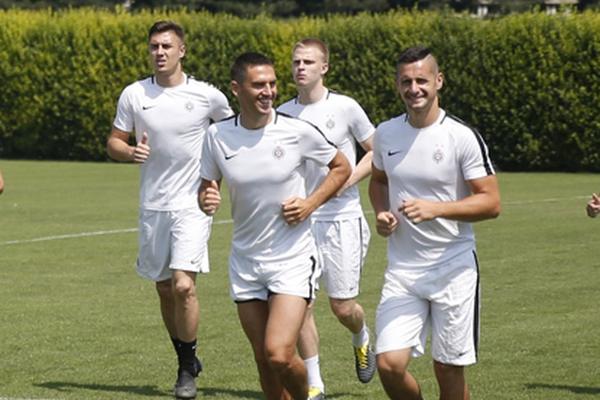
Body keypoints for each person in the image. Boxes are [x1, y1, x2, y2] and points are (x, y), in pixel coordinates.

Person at [198, 52, 351, 400]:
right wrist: (206, 198)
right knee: (263, 360)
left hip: (291, 259)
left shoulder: (296, 131)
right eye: (258, 85)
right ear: (236, 88)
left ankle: (309, 396)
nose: (268, 92)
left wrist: (310, 203)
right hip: (245, 261)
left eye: (272, 84)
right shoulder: (217, 135)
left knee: (278, 353)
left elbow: (341, 167)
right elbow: (207, 185)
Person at [106, 20, 232, 399]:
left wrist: (213, 184)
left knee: (183, 285)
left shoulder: (207, 96)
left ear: (182, 51)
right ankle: (187, 357)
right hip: (153, 205)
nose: (159, 52)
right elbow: (114, 142)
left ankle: (185, 371)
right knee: (164, 288)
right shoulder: (134, 94)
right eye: (154, 47)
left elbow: (231, 138)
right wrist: (130, 152)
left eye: (166, 46)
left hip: (192, 205)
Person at [368, 46, 501, 400]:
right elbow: (378, 181)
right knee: (388, 365)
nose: (414, 89)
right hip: (403, 271)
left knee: (447, 368)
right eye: (406, 81)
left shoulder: (461, 136)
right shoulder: (386, 133)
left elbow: (491, 202)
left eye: (421, 80)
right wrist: (381, 213)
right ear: (397, 85)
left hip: (453, 268)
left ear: (438, 81)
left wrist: (436, 209)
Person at [277, 38, 376, 399]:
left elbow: (375, 150)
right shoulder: (282, 113)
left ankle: (361, 335)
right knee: (301, 303)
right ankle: (315, 383)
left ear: (324, 68)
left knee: (342, 307)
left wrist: (347, 179)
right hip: (300, 222)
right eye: (296, 62)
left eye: (308, 62)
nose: (300, 67)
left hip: (342, 219)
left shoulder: (345, 107)